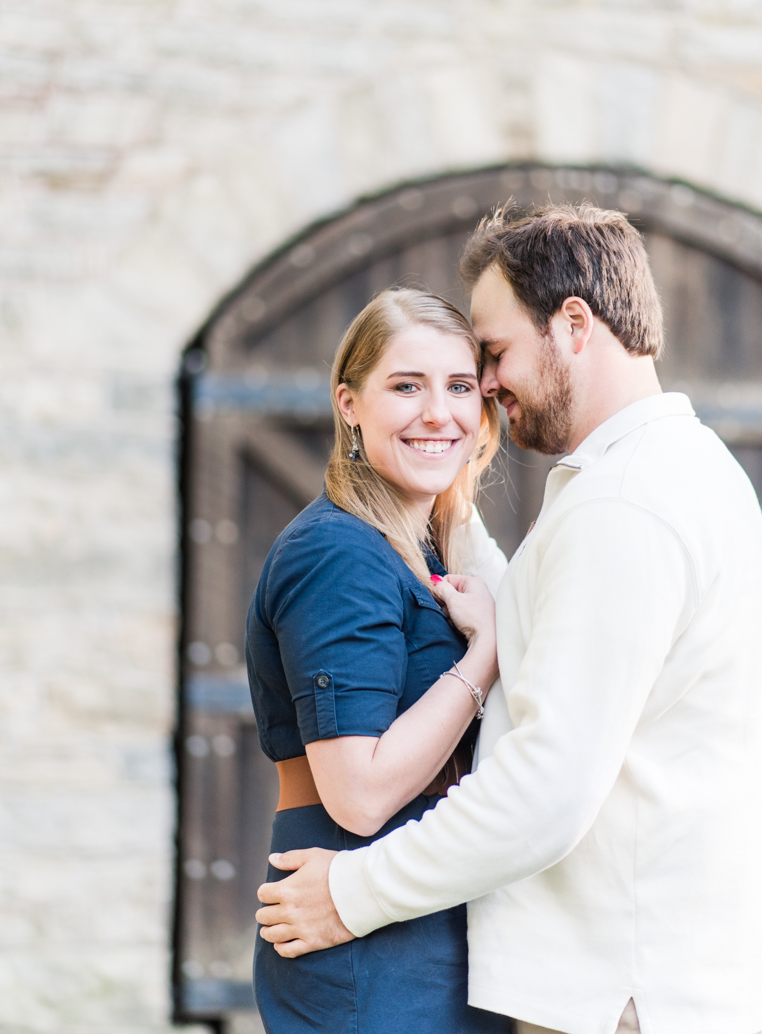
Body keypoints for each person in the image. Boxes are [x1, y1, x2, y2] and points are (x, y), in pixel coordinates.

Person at [255, 203, 762, 1034]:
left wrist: (352, 892)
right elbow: (548, 635)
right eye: (416, 384)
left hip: (624, 996)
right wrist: (442, 485)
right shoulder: (669, 470)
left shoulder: (625, 503)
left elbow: (548, 787)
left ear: (573, 324)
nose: (487, 390)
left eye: (489, 360)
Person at [245, 287, 514, 1034]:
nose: (439, 412)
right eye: (406, 386)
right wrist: (485, 656)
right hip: (366, 945)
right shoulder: (340, 552)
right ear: (349, 404)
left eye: (460, 386)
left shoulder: (419, 539)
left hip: (417, 924)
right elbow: (358, 793)